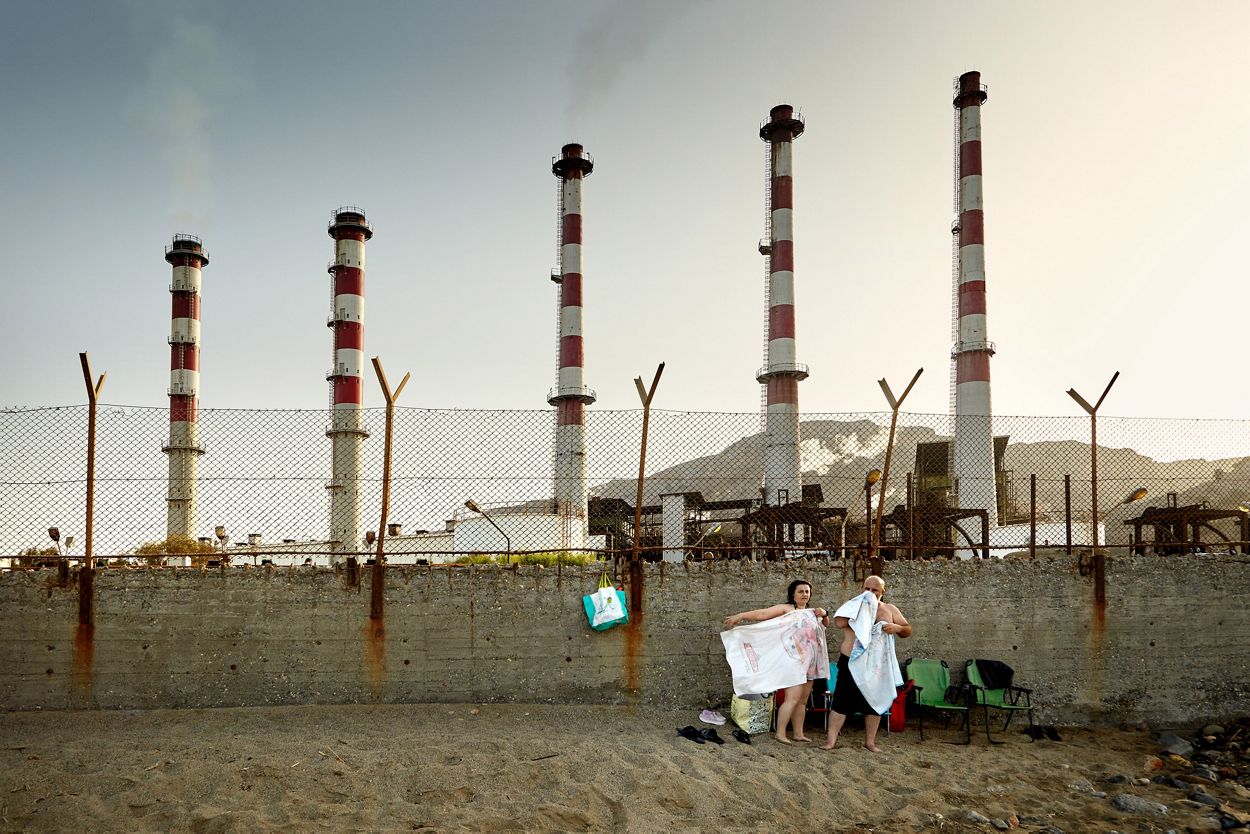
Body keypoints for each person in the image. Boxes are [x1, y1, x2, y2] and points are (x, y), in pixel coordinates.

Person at [723, 579, 830, 744]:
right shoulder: (787, 609)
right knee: (792, 698)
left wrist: (825, 614)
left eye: (807, 592)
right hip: (793, 661)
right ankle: (780, 733)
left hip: (810, 663)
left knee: (802, 701)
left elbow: (825, 626)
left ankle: (798, 733)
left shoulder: (812, 612)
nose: (804, 594)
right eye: (800, 591)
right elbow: (763, 614)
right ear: (793, 594)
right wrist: (741, 616)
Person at [822, 575, 911, 753]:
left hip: (877, 664)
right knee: (841, 700)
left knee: (874, 701)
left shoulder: (890, 609)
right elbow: (839, 622)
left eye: (875, 590)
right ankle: (831, 741)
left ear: (882, 592)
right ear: (862, 589)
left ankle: (870, 742)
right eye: (867, 589)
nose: (870, 593)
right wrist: (860, 615)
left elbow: (907, 630)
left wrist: (897, 628)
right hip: (851, 660)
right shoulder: (853, 605)